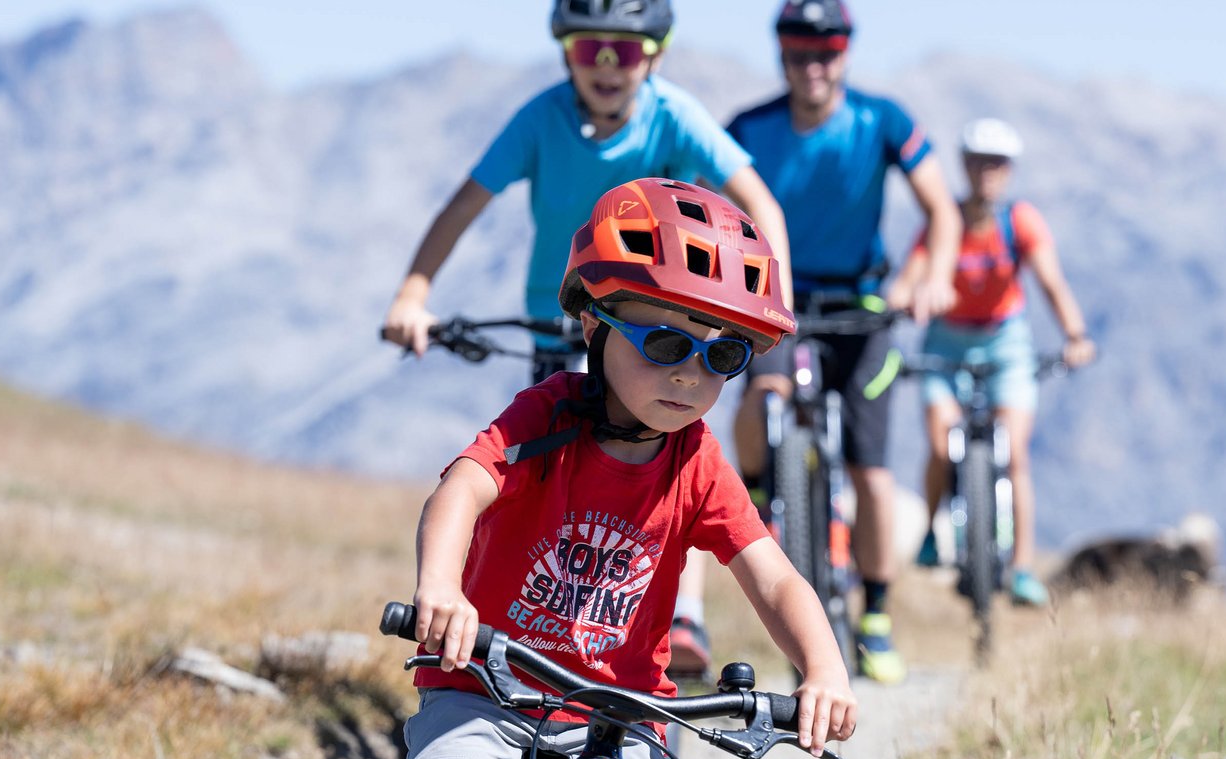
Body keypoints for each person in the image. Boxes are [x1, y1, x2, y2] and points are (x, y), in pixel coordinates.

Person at [287, 179, 854, 759]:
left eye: (725, 357)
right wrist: (443, 591)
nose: (690, 376)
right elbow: (462, 490)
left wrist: (822, 666)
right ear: (593, 323)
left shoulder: (697, 458)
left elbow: (772, 572)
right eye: (665, 341)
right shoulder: (546, 414)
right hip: (492, 681)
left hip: (616, 709)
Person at [379, 0, 796, 680]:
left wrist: (771, 305)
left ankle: (680, 611)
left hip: (664, 314)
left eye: (626, 52)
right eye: (588, 50)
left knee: (668, 459)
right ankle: (516, 617)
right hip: (562, 311)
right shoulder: (540, 119)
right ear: (564, 52)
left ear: (655, 56)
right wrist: (414, 292)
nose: (607, 67)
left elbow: (760, 203)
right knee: (544, 462)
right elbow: (465, 203)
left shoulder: (677, 116)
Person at [726, 0, 962, 685]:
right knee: (763, 389)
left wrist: (930, 277)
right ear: (781, 54)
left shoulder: (882, 120)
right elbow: (709, 196)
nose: (813, 65)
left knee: (871, 471)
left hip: (863, 306)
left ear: (847, 53)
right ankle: (759, 483)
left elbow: (941, 210)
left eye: (826, 51)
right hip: (778, 298)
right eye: (799, 52)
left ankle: (876, 615)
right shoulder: (749, 127)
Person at [890, 118, 1095, 607]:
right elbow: (910, 275)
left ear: (1009, 170)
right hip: (946, 342)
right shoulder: (946, 222)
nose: (988, 172)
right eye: (979, 161)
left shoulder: (1020, 222)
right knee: (941, 443)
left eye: (998, 163)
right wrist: (901, 300)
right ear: (964, 165)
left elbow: (1050, 282)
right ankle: (931, 534)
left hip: (1006, 343)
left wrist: (1075, 335)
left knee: (1015, 453)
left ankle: (1021, 567)